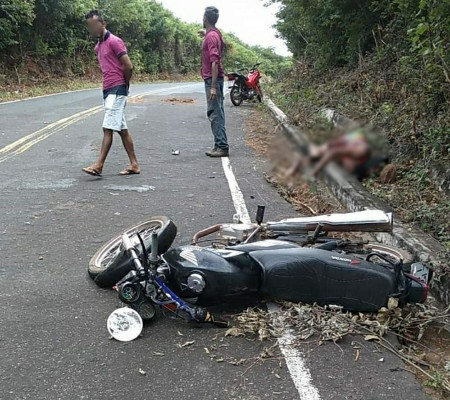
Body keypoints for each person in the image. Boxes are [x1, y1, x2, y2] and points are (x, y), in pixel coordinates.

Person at [82, 10, 140, 177]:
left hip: (117, 88)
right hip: (108, 90)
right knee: (121, 129)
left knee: (107, 127)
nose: (93, 29)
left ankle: (99, 165)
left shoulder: (115, 41)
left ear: (103, 24)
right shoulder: (98, 47)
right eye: (90, 26)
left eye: (95, 24)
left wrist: (125, 84)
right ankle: (134, 164)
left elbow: (128, 66)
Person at [201, 6, 229, 157]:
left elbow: (214, 61)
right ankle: (220, 145)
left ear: (205, 18)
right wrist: (204, 34)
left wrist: (212, 86)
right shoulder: (214, 34)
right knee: (218, 111)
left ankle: (221, 146)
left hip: (213, 80)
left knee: (215, 113)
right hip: (215, 79)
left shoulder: (211, 36)